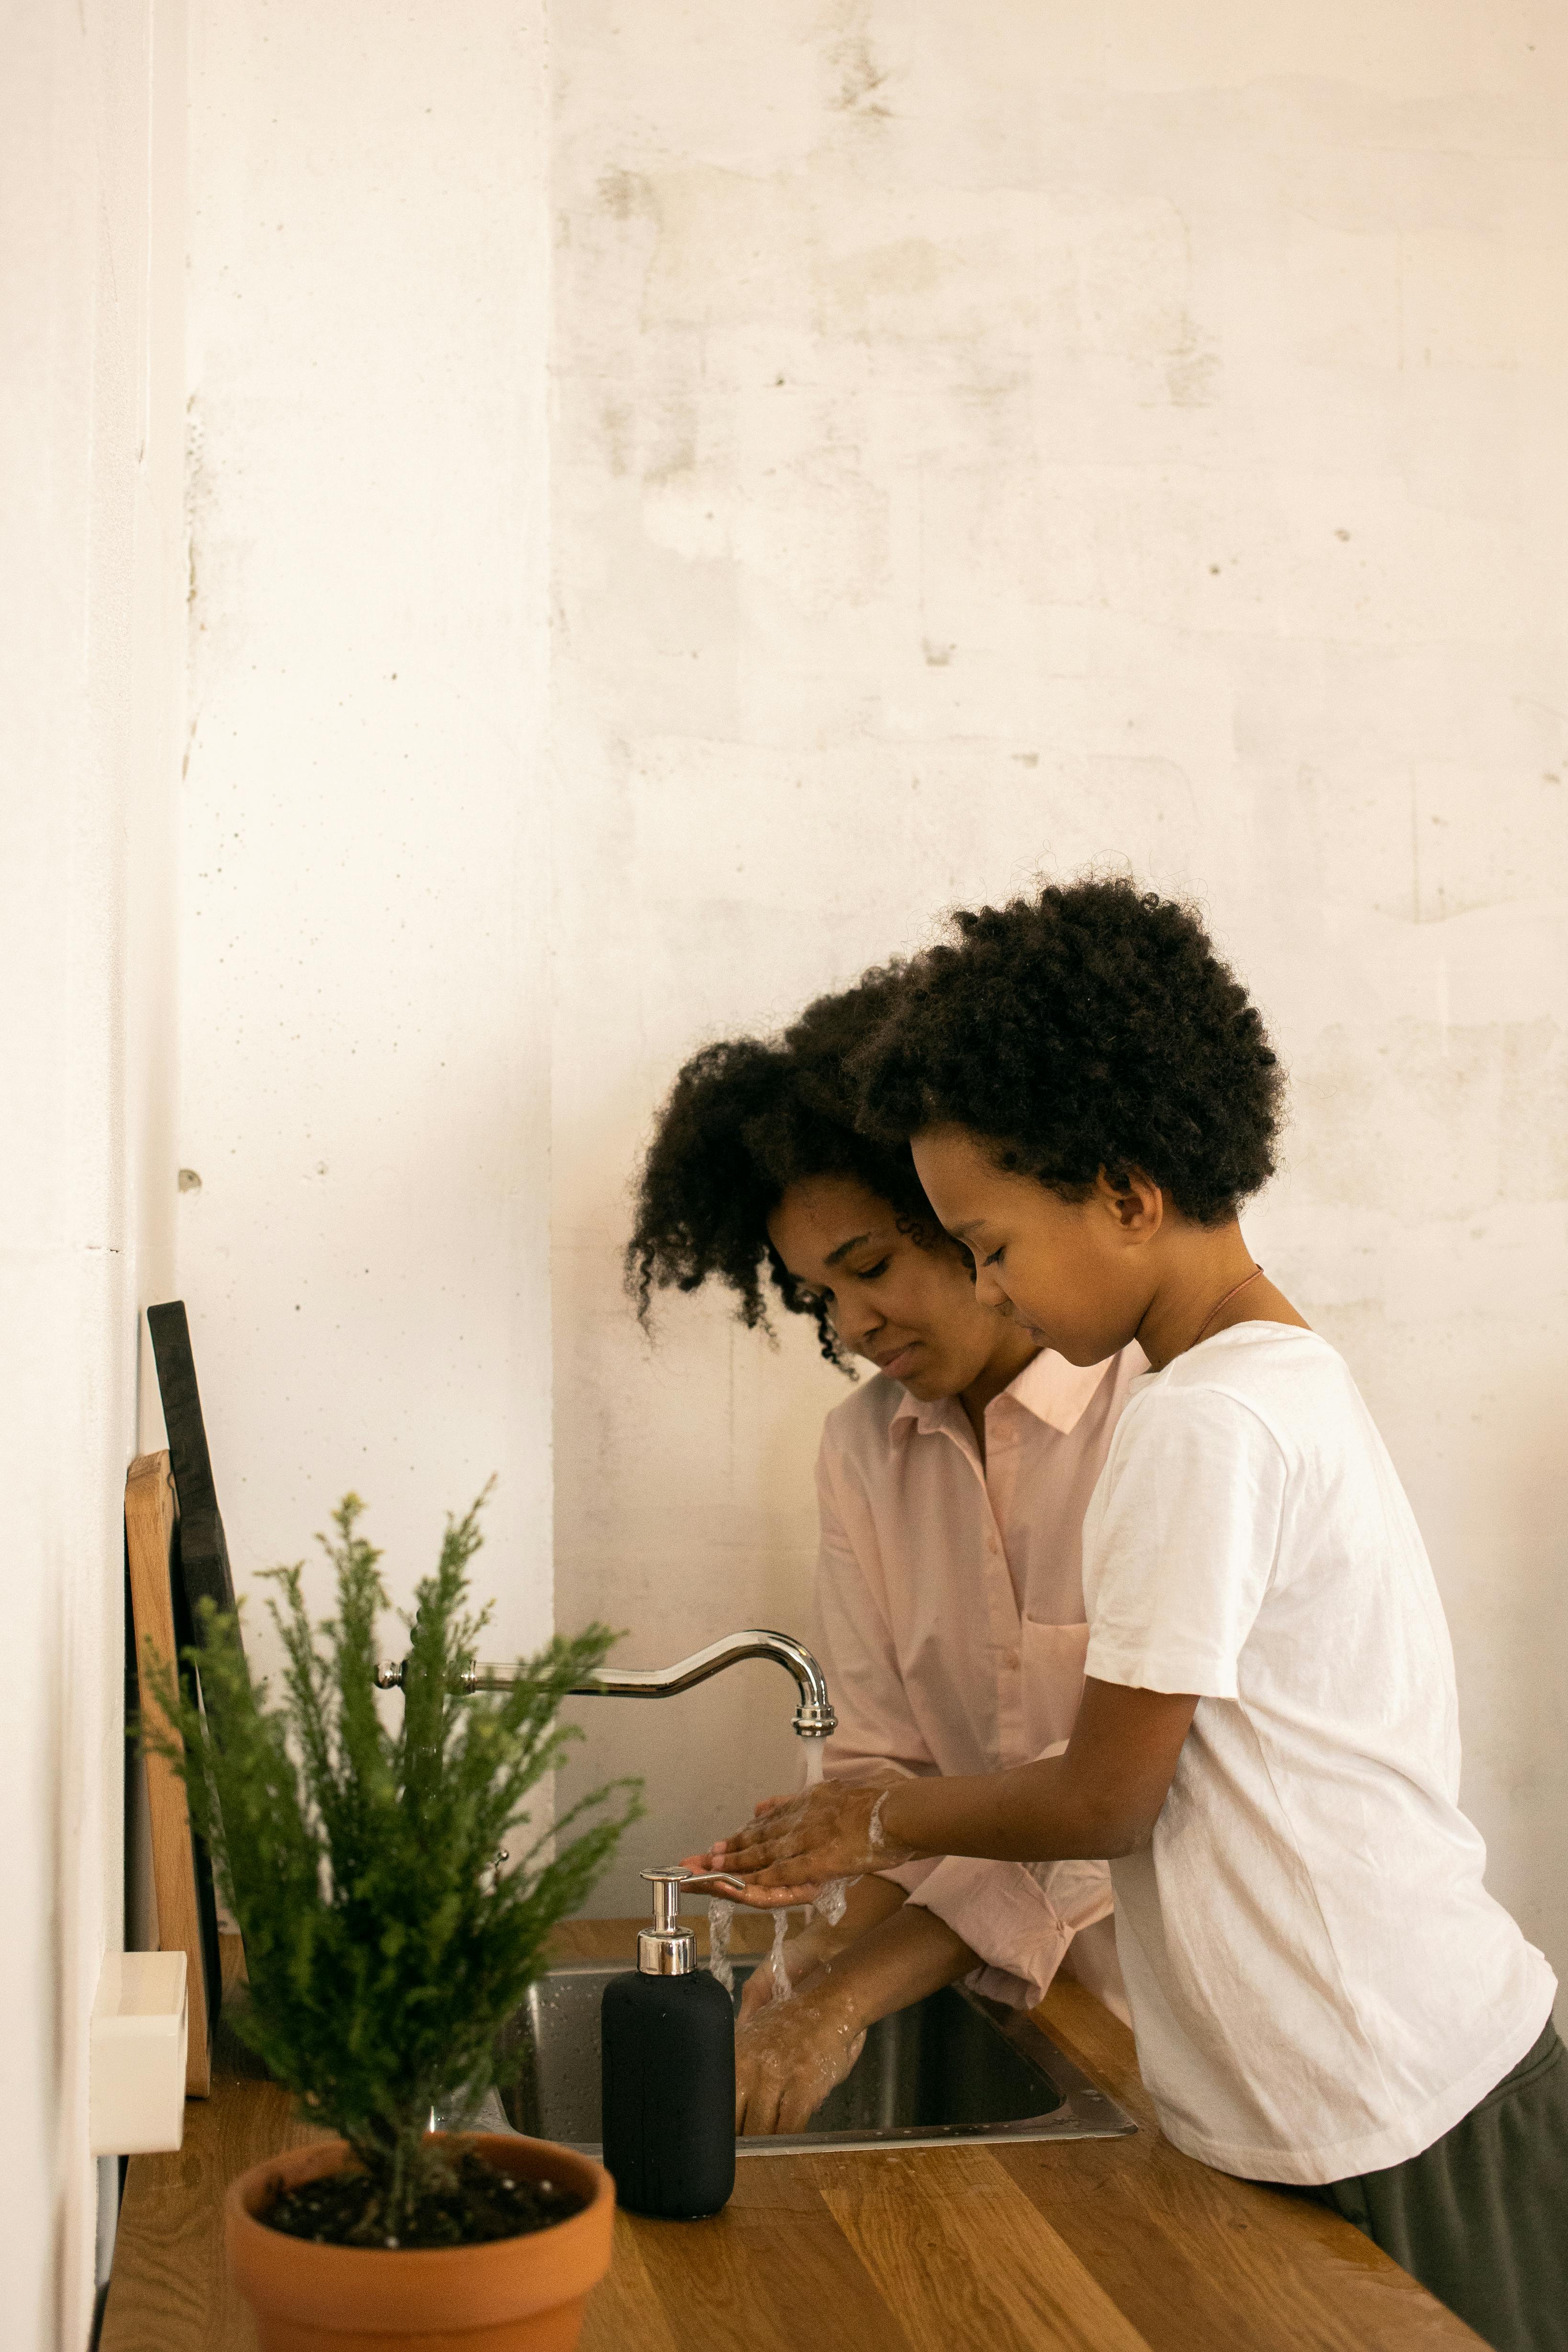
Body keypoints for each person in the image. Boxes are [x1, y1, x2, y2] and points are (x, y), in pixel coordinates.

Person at [700, 877, 1564, 2352]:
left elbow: (1111, 1793)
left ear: (1124, 1191)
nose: (988, 1288)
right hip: (1341, 2081)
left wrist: (878, 1824)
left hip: (1390, 2090)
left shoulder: (1191, 1425)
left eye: (987, 1245)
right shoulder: (1269, 1382)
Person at [629, 970, 1143, 2135]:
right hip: (1032, 2032)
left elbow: (1108, 1809)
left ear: (966, 1220)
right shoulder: (863, 1451)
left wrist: (851, 1995)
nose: (852, 1327)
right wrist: (813, 1955)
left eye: (869, 1268)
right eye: (819, 1295)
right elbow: (885, 1780)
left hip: (1176, 2029)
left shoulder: (1158, 1422)